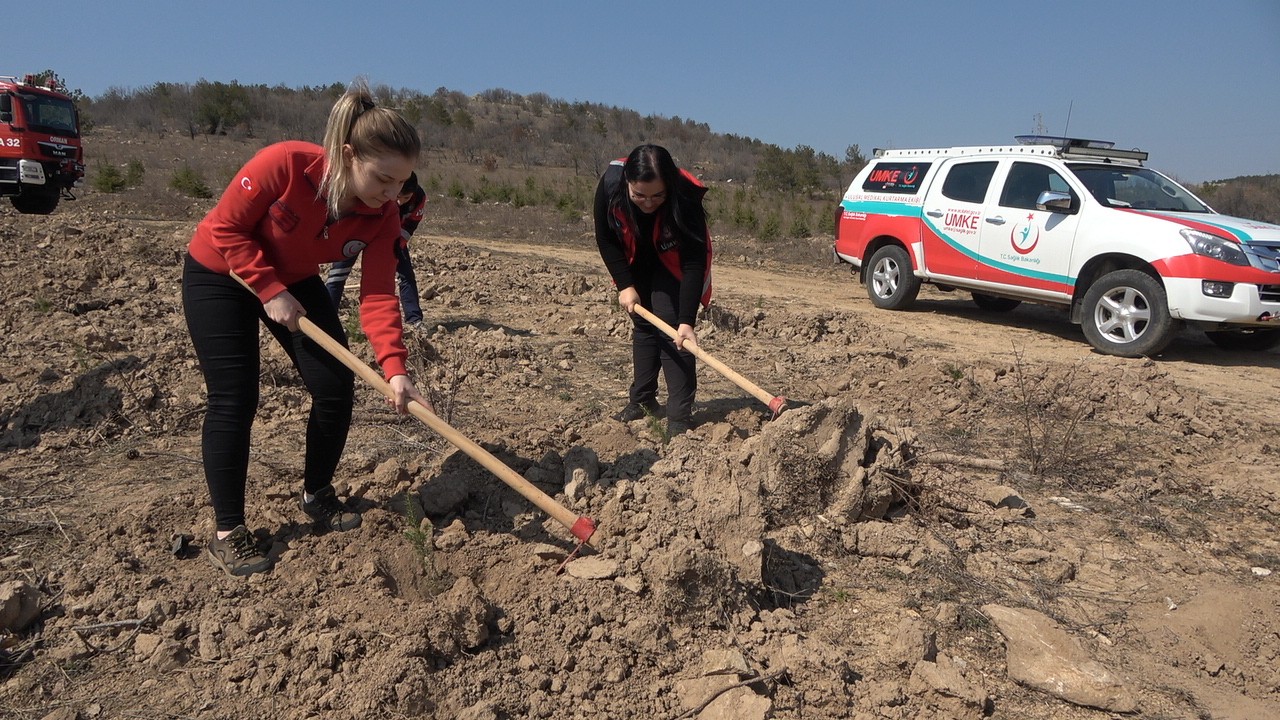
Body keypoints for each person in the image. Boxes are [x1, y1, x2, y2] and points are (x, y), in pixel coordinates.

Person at [182, 80, 433, 578]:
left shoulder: (382, 217)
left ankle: (317, 493)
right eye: (383, 179)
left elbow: (379, 294)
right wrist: (268, 289)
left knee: (335, 384)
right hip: (221, 274)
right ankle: (229, 532)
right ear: (347, 155)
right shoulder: (285, 164)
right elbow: (227, 228)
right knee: (235, 398)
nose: (391, 196)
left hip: (294, 281)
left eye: (399, 184)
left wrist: (395, 367)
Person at [594, 144, 712, 437]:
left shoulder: (684, 196)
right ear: (627, 185)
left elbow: (695, 262)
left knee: (673, 332)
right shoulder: (610, 186)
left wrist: (687, 321)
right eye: (639, 196)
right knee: (643, 325)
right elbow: (606, 238)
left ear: (669, 185)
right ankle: (643, 399)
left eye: (658, 195)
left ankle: (679, 416)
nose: (648, 203)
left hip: (674, 262)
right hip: (636, 257)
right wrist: (625, 285)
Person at [325, 171, 427, 326]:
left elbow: (411, 224)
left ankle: (414, 320)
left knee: (406, 275)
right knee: (338, 275)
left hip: (390, 237)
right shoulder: (379, 192)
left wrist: (395, 247)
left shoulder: (418, 198)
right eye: (398, 196)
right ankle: (325, 320)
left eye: (405, 198)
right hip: (358, 233)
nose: (399, 202)